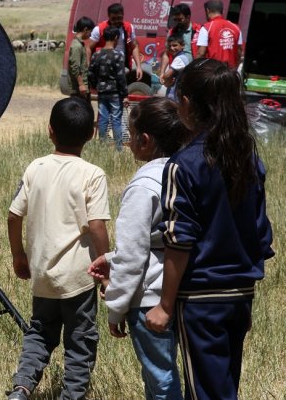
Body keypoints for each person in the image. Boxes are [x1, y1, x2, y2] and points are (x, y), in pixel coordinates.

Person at [145, 59, 275, 400]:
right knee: (223, 387)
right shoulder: (247, 157)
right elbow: (259, 231)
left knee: (205, 392)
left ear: (186, 103)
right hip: (240, 293)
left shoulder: (181, 166)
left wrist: (165, 305)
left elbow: (179, 241)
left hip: (201, 299)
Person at [6, 97, 110, 400]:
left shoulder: (35, 168)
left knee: (39, 331)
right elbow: (97, 227)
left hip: (42, 274)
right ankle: (72, 395)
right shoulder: (92, 174)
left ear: (49, 130)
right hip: (79, 277)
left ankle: (22, 388)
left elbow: (14, 216)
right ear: (92, 133)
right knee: (80, 340)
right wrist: (105, 268)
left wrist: (18, 256)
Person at [88, 97, 189, 400]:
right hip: (187, 290)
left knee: (161, 380)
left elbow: (134, 256)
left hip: (150, 301)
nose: (129, 142)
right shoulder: (188, 173)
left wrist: (116, 308)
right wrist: (110, 257)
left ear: (144, 140)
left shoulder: (143, 186)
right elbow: (163, 240)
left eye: (130, 135)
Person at [89, 26, 128, 151]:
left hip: (102, 92)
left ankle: (102, 146)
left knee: (103, 118)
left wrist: (96, 85)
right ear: (116, 38)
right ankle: (118, 148)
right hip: (115, 93)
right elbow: (121, 77)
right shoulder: (118, 55)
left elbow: (90, 73)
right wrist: (125, 94)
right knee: (116, 119)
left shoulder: (96, 55)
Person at [86, 3, 143, 81]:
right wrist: (88, 66)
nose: (116, 21)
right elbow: (88, 47)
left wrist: (138, 67)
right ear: (108, 16)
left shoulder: (129, 27)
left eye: (119, 18)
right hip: (104, 66)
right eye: (113, 18)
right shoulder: (99, 29)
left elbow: (134, 47)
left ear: (123, 15)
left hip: (122, 65)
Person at [195, 0, 243, 69]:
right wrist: (235, 68)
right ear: (222, 11)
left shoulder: (206, 28)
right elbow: (239, 52)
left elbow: (201, 53)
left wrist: (194, 68)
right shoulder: (236, 28)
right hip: (230, 72)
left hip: (213, 72)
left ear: (207, 10)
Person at [159, 4, 201, 76]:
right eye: (175, 20)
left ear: (188, 17)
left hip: (193, 72)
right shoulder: (172, 32)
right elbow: (166, 54)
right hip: (176, 73)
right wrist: (162, 72)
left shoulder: (199, 30)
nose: (177, 22)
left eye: (180, 19)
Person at [68, 16, 95, 99]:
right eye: (90, 31)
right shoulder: (77, 46)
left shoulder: (80, 44)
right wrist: (81, 85)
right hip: (78, 90)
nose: (91, 34)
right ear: (85, 29)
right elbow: (75, 67)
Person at [160, 33, 191, 101]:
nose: (172, 48)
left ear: (182, 46)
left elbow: (167, 75)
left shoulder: (180, 58)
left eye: (175, 45)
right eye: (170, 46)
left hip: (175, 96)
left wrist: (164, 79)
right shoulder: (180, 57)